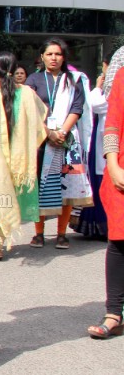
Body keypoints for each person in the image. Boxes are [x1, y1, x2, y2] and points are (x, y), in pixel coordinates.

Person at [0, 52, 48, 261]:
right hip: (18, 160)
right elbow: (40, 122)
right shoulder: (27, 93)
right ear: (15, 70)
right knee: (8, 199)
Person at [25, 37, 92, 249]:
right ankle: (38, 233)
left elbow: (77, 108)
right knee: (40, 187)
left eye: (58, 54)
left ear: (64, 57)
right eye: (49, 54)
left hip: (66, 141)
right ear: (42, 57)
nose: (54, 58)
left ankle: (61, 233)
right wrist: (48, 132)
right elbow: (29, 110)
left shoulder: (73, 80)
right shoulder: (34, 80)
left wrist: (61, 132)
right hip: (41, 141)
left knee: (65, 188)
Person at [86, 74, 124, 339]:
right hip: (122, 170)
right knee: (120, 240)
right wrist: (113, 165)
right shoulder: (123, 77)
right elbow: (112, 125)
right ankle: (114, 313)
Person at [74, 52, 113, 238]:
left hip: (109, 142)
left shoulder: (112, 87)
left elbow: (95, 104)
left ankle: (107, 227)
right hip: (101, 141)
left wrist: (97, 87)